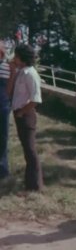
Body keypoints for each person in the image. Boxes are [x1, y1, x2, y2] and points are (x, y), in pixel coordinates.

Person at [10, 44, 43, 191]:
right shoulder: (21, 72)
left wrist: (22, 112)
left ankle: (36, 185)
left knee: (30, 150)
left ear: (22, 58)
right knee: (26, 149)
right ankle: (30, 183)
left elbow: (35, 99)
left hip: (26, 114)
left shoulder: (30, 74)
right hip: (19, 113)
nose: (14, 58)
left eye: (16, 56)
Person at [0, 41, 13, 180]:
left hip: (3, 106)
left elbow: (11, 85)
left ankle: (3, 169)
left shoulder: (8, 67)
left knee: (3, 137)